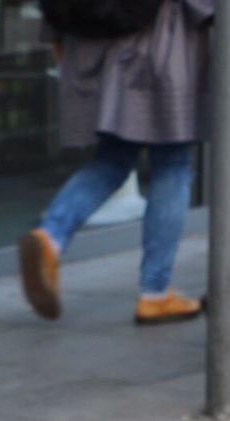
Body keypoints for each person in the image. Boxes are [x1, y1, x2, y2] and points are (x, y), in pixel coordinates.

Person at [19, 0, 214, 325]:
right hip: (161, 45)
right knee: (173, 162)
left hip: (94, 44)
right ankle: (155, 292)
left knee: (112, 159)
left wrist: (55, 35)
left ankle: (50, 237)